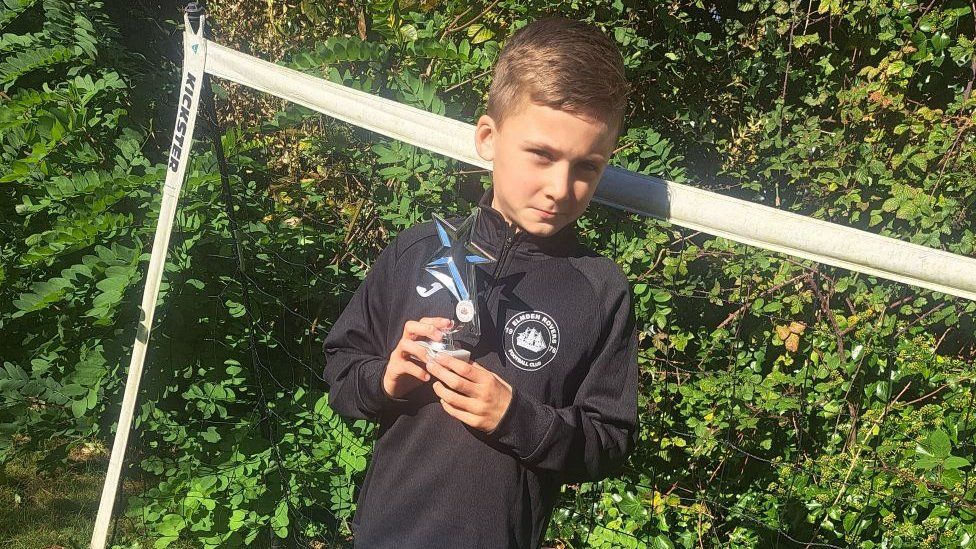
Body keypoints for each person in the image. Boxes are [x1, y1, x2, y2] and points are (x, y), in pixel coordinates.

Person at [323, 16, 637, 549]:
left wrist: (518, 419)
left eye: (588, 165)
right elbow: (340, 374)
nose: (560, 188)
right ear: (489, 139)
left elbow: (610, 441)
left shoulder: (602, 290)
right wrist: (386, 380)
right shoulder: (416, 251)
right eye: (541, 155)